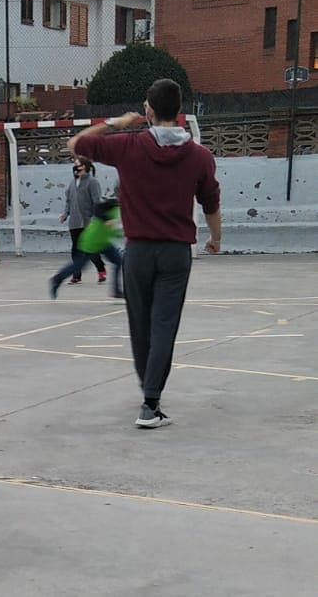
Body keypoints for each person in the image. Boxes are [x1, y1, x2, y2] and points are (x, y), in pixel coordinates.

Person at [67, 78, 221, 429]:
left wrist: (117, 122)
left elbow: (77, 143)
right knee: (165, 325)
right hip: (176, 253)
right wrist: (216, 238)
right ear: (180, 111)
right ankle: (151, 402)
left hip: (138, 251)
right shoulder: (199, 156)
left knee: (140, 325)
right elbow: (211, 200)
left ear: (148, 109)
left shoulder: (128, 145)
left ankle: (148, 393)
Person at [50, 196, 124, 300]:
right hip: (91, 242)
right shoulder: (113, 203)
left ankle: (116, 291)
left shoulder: (121, 210)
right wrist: (107, 220)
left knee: (118, 261)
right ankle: (57, 279)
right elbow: (97, 208)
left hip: (103, 242)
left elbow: (114, 230)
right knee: (79, 266)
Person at [59, 158, 107, 284]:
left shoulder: (92, 182)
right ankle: (76, 275)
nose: (75, 168)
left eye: (77, 165)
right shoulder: (72, 183)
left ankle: (101, 269)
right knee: (76, 249)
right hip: (74, 222)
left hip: (88, 222)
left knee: (90, 249)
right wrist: (65, 214)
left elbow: (97, 202)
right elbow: (68, 201)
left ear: (84, 166)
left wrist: (94, 218)